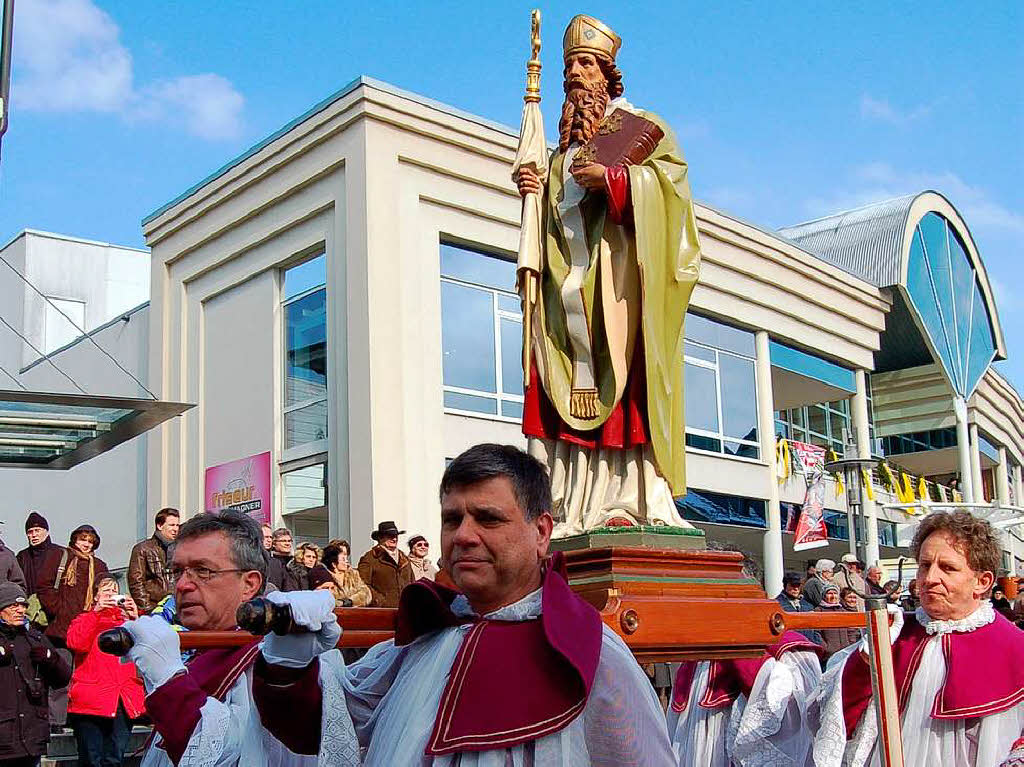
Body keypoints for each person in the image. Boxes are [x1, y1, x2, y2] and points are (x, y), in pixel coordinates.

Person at [253, 442, 676, 765]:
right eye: (452, 519)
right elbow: (326, 732)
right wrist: (288, 662)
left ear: (541, 532)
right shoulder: (422, 639)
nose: (463, 536)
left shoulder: (590, 653)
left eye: (488, 518)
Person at [515, 14, 702, 535]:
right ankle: (568, 505)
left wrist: (618, 180)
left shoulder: (643, 128)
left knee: (630, 389)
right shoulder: (560, 156)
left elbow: (673, 199)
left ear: (608, 75)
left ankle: (628, 496)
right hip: (566, 297)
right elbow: (552, 224)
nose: (577, 75)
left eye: (587, 64)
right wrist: (536, 188)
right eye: (571, 65)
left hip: (620, 294)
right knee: (555, 383)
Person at [122, 509, 356, 766]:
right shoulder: (210, 648)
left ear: (249, 584)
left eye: (203, 571)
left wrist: (166, 678)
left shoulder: (280, 657)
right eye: (177, 572)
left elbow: (223, 756)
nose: (182, 585)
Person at [809, 510, 1024, 766]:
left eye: (947, 568)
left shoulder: (1014, 645)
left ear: (982, 581)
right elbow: (832, 720)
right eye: (924, 566)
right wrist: (865, 660)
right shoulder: (895, 632)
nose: (930, 578)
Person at [65, 576, 145, 767]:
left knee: (115, 758)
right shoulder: (84, 619)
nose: (110, 595)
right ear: (95, 596)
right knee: (91, 759)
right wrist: (96, 612)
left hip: (123, 699)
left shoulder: (129, 622)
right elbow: (76, 643)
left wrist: (136, 617)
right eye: (105, 591)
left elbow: (150, 648)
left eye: (114, 591)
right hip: (91, 699)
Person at [36, 525, 108, 731]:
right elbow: (44, 586)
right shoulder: (61, 556)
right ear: (74, 540)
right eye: (82, 539)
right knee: (62, 674)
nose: (86, 544)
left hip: (88, 630)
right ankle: (56, 720)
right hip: (61, 629)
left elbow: (104, 590)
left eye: (90, 541)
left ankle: (77, 717)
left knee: (84, 677)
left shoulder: (99, 566)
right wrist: (57, 610)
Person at [0, 582, 70, 767]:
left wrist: (51, 659)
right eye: (13, 605)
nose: (20, 610)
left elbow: (62, 679)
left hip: (32, 735)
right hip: (3, 735)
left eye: (23, 605)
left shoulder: (35, 638)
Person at [127, 508, 180, 613]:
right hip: (154, 608)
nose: (175, 529)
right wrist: (148, 609)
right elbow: (136, 582)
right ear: (160, 526)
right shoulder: (143, 548)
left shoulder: (180, 548)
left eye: (177, 525)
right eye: (171, 525)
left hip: (177, 608)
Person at [356, 521, 414, 608]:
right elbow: (362, 584)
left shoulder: (404, 558)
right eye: (390, 536)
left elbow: (412, 582)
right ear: (380, 538)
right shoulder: (370, 558)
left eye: (396, 536)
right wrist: (379, 601)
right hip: (383, 612)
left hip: (406, 610)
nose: (394, 539)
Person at [16, 512, 60, 597]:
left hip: (55, 605)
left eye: (37, 530)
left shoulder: (60, 553)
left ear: (46, 532)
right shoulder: (22, 557)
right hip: (28, 605)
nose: (34, 535)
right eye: (30, 532)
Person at [776, 570, 822, 645]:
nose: (796, 589)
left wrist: (816, 642)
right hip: (789, 647)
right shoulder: (777, 605)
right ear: (786, 585)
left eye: (798, 585)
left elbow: (816, 627)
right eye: (793, 585)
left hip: (810, 646)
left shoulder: (808, 605)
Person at [817, 586, 862, 663]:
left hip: (845, 654)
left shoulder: (843, 611)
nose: (833, 596)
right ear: (824, 596)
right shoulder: (818, 611)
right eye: (830, 593)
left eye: (835, 593)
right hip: (828, 656)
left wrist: (850, 647)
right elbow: (816, 633)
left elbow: (851, 631)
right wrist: (826, 648)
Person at [320, 540, 371, 607]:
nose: (345, 558)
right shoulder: (323, 574)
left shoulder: (353, 574)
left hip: (354, 614)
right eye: (341, 554)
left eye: (345, 554)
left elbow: (366, 593)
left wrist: (349, 601)